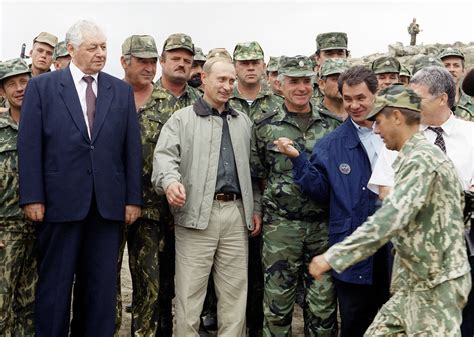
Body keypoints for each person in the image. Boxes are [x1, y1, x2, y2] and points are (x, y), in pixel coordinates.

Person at [309, 84, 471, 336]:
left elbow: (388, 221)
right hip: (412, 285)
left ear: (396, 117)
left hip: (436, 287)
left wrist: (333, 257)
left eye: (378, 121)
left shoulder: (422, 160)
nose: (375, 129)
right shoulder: (411, 158)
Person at [17, 20, 143, 337]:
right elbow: (29, 146)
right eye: (93, 47)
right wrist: (32, 196)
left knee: (100, 290)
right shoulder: (42, 88)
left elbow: (131, 149)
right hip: (59, 206)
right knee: (56, 287)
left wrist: (132, 199)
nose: (101, 53)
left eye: (103, 47)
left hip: (106, 208)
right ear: (71, 50)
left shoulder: (121, 91)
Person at [274, 65, 391, 337]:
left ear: (376, 94)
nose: (354, 105)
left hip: (392, 247)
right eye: (348, 99)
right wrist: (298, 160)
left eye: (361, 98)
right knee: (354, 323)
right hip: (352, 247)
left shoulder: (393, 134)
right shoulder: (332, 144)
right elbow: (320, 191)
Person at [152, 56, 261, 337]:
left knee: (235, 298)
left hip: (236, 216)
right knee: (189, 297)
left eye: (231, 80)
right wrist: (171, 183)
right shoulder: (182, 120)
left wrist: (255, 208)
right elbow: (165, 158)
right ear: (204, 81)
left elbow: (253, 171)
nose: (227, 86)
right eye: (221, 79)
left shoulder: (243, 123)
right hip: (197, 216)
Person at [368, 66, 474, 337]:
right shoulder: (401, 134)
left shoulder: (471, 134)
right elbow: (384, 190)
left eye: (418, 99)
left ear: (442, 98)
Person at [252, 55, 339, 336]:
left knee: (323, 307)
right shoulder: (265, 126)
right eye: (294, 81)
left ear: (314, 82)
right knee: (277, 305)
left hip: (322, 227)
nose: (301, 87)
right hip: (282, 227)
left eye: (306, 81)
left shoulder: (331, 125)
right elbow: (259, 174)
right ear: (279, 83)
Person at [154, 32, 202, 336]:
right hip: (150, 207)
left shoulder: (201, 101)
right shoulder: (143, 97)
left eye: (187, 60)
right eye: (176, 58)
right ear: (162, 61)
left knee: (189, 282)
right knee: (153, 282)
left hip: (191, 208)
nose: (182, 64)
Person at [118, 34, 160, 336]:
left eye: (152, 61)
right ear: (124, 62)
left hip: (154, 209)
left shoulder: (168, 104)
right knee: (104, 279)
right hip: (109, 206)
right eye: (141, 61)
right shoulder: (106, 95)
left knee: (150, 282)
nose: (148, 67)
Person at [0, 58, 35, 336]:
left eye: (24, 81)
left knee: (31, 306)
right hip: (5, 230)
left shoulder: (47, 125)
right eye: (11, 83)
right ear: (3, 91)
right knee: (2, 306)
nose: (19, 88)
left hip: (39, 228)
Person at [230, 41, 282, 122]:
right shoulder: (223, 102)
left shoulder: (280, 103)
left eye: (255, 63)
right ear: (234, 67)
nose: (251, 68)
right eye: (244, 63)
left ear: (264, 67)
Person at [312, 32, 349, 104]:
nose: (335, 58)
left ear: (347, 57)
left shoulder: (357, 84)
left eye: (340, 54)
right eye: (329, 54)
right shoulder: (307, 86)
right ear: (318, 59)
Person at [438, 47, 474, 121]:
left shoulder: (472, 101)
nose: (451, 69)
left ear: (463, 70)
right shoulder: (431, 101)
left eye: (456, 65)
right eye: (447, 65)